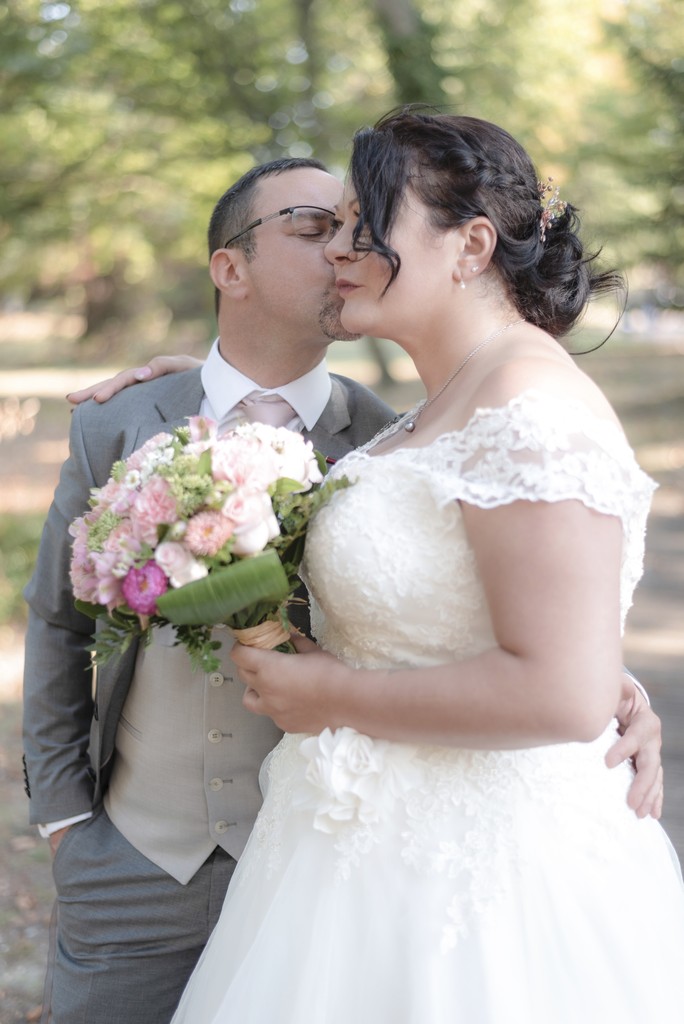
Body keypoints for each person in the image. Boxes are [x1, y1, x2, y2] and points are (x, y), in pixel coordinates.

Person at [165, 109, 683, 1023]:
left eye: (370, 228)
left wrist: (329, 698)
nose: (341, 252)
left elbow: (563, 694)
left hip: (492, 891)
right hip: (347, 865)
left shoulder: (528, 400)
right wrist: (177, 382)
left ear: (471, 244)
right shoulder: (431, 408)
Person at [22, 156, 395, 1024]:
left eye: (354, 229)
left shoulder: (390, 444)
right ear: (231, 268)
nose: (345, 249)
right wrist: (65, 820)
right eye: (314, 227)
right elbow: (57, 621)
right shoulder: (117, 421)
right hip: (129, 861)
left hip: (320, 873)